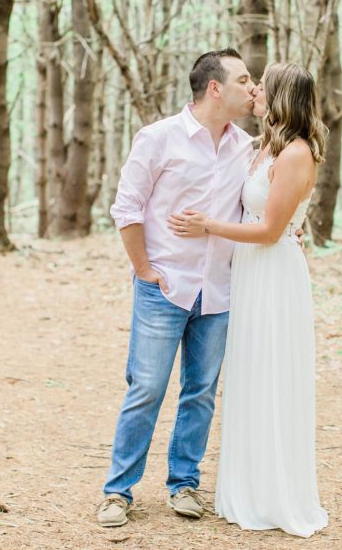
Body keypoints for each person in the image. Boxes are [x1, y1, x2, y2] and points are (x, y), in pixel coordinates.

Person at [168, 62, 329, 538]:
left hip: (274, 273)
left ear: (281, 97)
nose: (254, 90)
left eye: (263, 85)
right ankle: (247, 489)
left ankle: (276, 495)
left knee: (273, 377)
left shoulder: (297, 154)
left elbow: (270, 230)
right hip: (250, 274)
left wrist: (209, 227)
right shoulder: (262, 148)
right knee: (248, 377)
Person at [97, 49, 256, 528]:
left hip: (219, 291)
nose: (252, 88)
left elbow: (255, 210)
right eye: (244, 79)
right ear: (215, 87)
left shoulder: (245, 148)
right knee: (146, 388)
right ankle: (117, 492)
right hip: (164, 287)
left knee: (201, 392)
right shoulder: (158, 138)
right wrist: (144, 269)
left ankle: (183, 484)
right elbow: (127, 209)